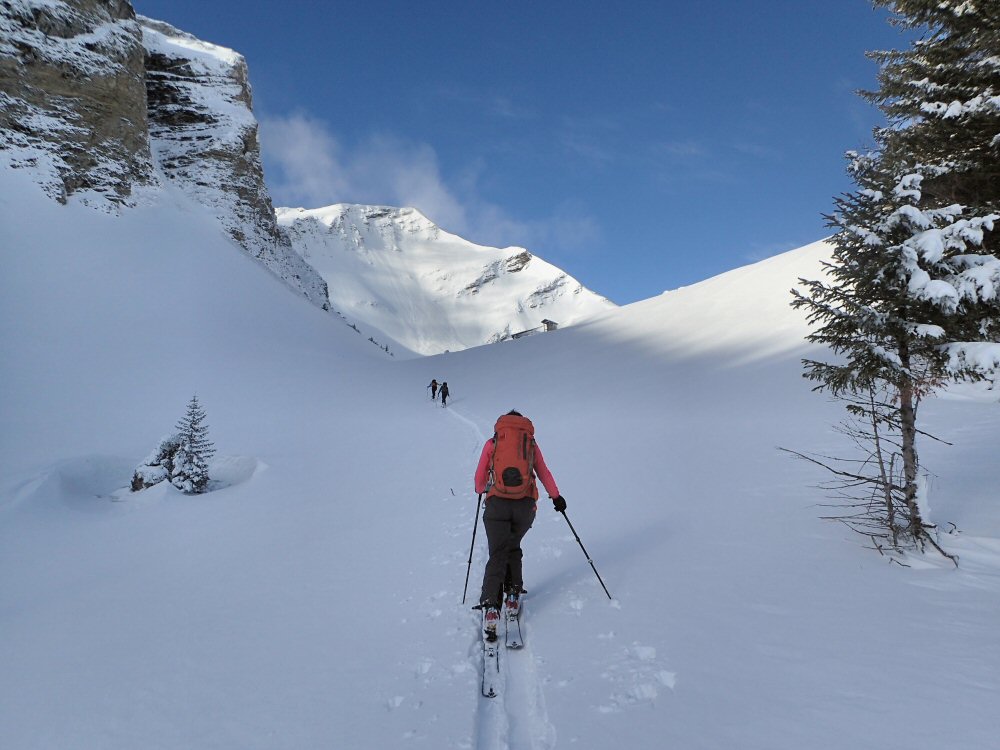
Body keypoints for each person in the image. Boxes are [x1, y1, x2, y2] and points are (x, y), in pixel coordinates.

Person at [474, 410, 566, 638]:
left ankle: (491, 606)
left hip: (497, 506)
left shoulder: (493, 442)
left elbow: (479, 480)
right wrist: (556, 497)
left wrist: (483, 489)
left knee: (497, 553)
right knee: (513, 546)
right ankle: (513, 596)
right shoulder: (530, 444)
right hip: (524, 507)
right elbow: (543, 471)